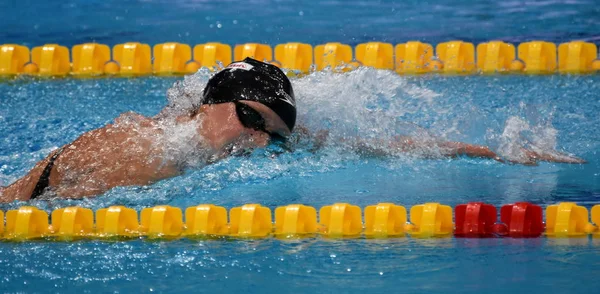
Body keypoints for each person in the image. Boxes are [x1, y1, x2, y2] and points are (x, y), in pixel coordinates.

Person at [0, 58, 585, 203]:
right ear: (215, 103)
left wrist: (499, 154)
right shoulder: (141, 153)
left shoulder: (258, 134)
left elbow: (380, 143)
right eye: (252, 121)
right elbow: (37, 196)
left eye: (273, 136)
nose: (259, 143)